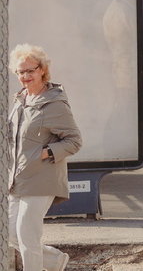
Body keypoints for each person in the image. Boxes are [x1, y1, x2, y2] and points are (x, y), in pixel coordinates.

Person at [8, 44, 82, 271]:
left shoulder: (54, 103)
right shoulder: (21, 100)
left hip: (42, 178)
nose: (25, 76)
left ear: (42, 70)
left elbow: (74, 141)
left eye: (30, 70)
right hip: (17, 179)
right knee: (9, 232)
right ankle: (54, 261)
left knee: (27, 236)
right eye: (21, 72)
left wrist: (47, 152)